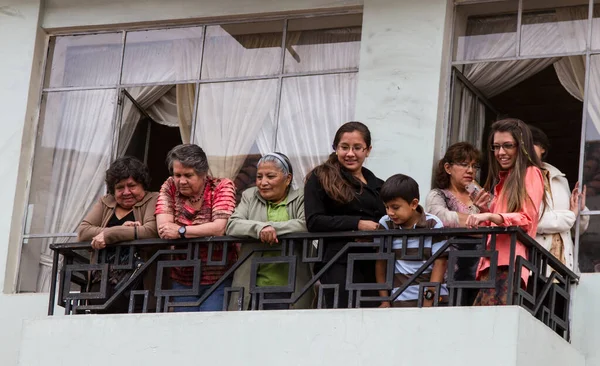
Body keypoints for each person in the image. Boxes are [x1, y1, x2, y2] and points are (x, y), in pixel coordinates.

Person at [304, 121, 386, 308]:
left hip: (375, 263)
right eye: (344, 147)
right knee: (343, 319)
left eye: (357, 148)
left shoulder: (379, 184)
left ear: (368, 150)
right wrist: (357, 224)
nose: (350, 154)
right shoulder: (321, 177)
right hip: (339, 261)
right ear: (335, 148)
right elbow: (314, 221)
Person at [466, 118, 546, 306]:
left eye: (508, 146)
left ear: (522, 146)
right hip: (492, 263)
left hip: (509, 264)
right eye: (496, 147)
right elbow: (499, 221)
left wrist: (491, 215)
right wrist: (486, 211)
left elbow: (527, 219)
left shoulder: (531, 172)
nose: (501, 152)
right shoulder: (505, 180)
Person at [155, 144, 236, 312]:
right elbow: (164, 228)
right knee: (184, 330)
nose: (181, 181)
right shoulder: (170, 186)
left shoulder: (221, 186)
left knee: (210, 328)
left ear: (203, 173)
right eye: (177, 175)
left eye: (188, 175)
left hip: (219, 277)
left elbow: (220, 228)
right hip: (182, 277)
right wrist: (201, 229)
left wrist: (181, 231)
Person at [226, 152, 312, 310]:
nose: (263, 182)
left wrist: (272, 228)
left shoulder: (301, 197)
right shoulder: (249, 196)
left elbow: (306, 224)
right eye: (259, 177)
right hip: (253, 286)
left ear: (287, 179)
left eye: (270, 176)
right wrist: (260, 228)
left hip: (291, 285)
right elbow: (232, 225)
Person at [78, 156, 158, 313]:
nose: (126, 192)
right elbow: (83, 232)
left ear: (142, 184)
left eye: (132, 186)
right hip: (101, 283)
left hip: (137, 284)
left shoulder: (153, 199)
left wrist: (112, 234)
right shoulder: (106, 202)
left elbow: (151, 231)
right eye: (120, 187)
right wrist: (124, 230)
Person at [376, 174, 448, 308]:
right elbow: (381, 264)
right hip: (399, 300)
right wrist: (385, 299)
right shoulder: (386, 224)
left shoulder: (432, 224)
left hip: (434, 301)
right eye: (387, 207)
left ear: (414, 204)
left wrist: (429, 300)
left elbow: (440, 263)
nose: (390, 213)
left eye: (395, 207)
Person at [425, 142, 482, 305]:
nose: (470, 170)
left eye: (474, 166)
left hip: (481, 270)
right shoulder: (438, 195)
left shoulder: (478, 196)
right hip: (450, 269)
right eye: (464, 165)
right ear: (448, 168)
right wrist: (483, 222)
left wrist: (479, 194)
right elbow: (441, 219)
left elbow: (500, 216)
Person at [529, 125, 588, 271]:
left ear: (542, 148)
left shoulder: (559, 178)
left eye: (532, 144)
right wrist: (570, 215)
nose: (527, 149)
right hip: (534, 264)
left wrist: (580, 211)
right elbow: (532, 221)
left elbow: (572, 230)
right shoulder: (517, 178)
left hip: (564, 266)